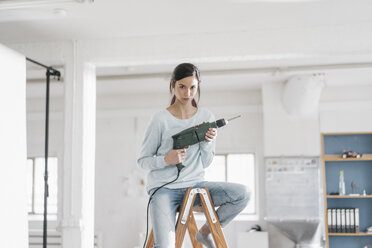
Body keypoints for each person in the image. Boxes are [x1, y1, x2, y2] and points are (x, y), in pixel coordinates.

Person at [137, 63, 250, 248]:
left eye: (193, 87)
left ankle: (204, 233)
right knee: (164, 245)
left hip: (195, 186)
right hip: (163, 190)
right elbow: (143, 161)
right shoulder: (160, 120)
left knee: (243, 194)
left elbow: (205, 163)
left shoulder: (206, 117)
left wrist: (207, 143)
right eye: (182, 86)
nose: (187, 93)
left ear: (198, 87)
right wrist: (166, 160)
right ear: (173, 85)